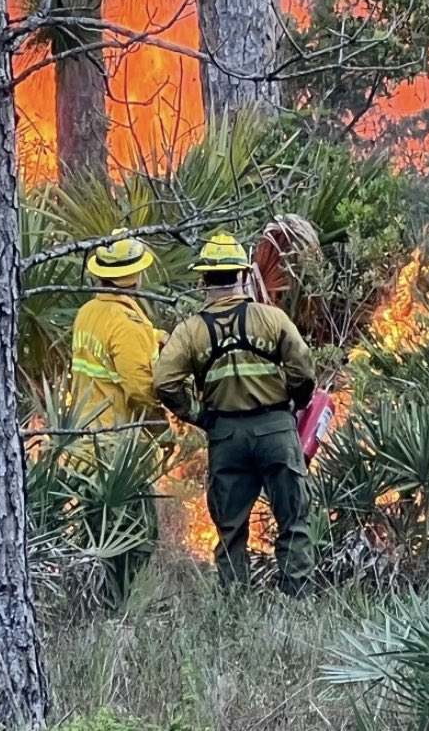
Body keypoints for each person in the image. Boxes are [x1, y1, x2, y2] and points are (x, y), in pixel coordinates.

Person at [154, 233, 317, 597]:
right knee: (293, 520)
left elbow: (165, 382)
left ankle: (235, 602)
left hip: (225, 436)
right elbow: (303, 368)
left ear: (203, 280)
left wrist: (200, 416)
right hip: (275, 430)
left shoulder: (191, 331)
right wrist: (295, 403)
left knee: (230, 529)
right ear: (243, 274)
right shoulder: (272, 318)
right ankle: (297, 598)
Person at [70, 231, 168, 439]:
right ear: (136, 276)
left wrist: (156, 336)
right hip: (113, 438)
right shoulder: (128, 324)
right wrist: (162, 431)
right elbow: (140, 391)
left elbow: (109, 340)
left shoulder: (87, 312)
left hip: (80, 431)